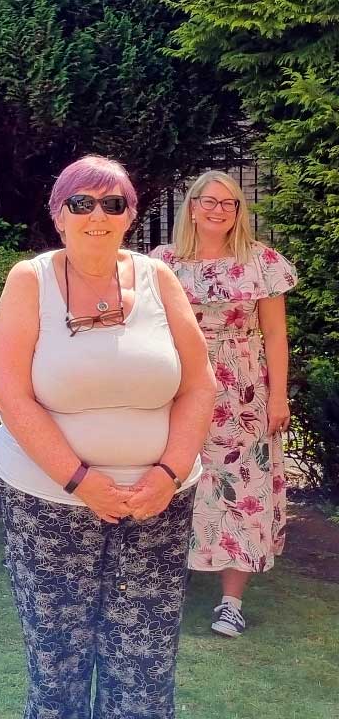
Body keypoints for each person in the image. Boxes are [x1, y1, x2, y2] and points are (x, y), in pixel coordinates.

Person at [0, 155, 215, 718]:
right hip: (49, 500)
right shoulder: (30, 280)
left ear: (129, 215)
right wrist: (81, 479)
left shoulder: (159, 278)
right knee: (57, 662)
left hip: (157, 503)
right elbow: (10, 393)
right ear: (59, 215)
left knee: (144, 667)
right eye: (81, 203)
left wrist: (168, 474)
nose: (97, 215)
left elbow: (199, 384)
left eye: (113, 204)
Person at [151, 170, 297, 638]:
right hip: (179, 384)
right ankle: (170, 583)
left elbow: (274, 333)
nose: (218, 210)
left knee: (243, 483)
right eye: (209, 201)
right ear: (191, 206)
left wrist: (278, 395)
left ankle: (231, 602)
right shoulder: (164, 263)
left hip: (244, 390)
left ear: (238, 213)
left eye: (229, 204)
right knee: (176, 477)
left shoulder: (261, 262)